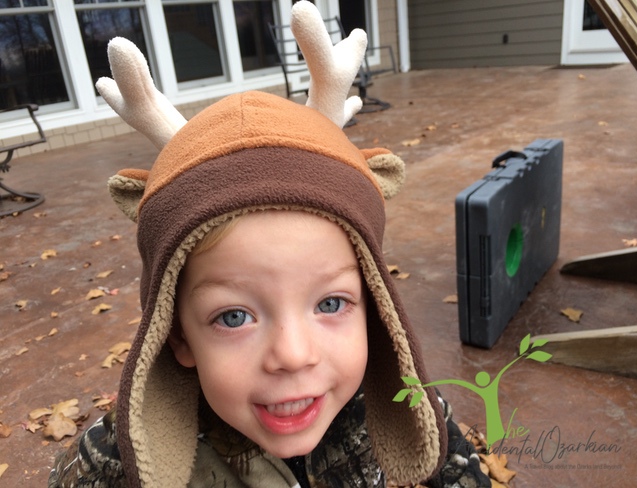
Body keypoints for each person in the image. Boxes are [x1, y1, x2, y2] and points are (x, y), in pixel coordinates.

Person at [48, 2, 489, 487]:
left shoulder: (415, 409)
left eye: (331, 302)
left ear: (376, 306)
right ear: (175, 333)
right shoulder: (108, 467)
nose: (293, 355)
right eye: (233, 316)